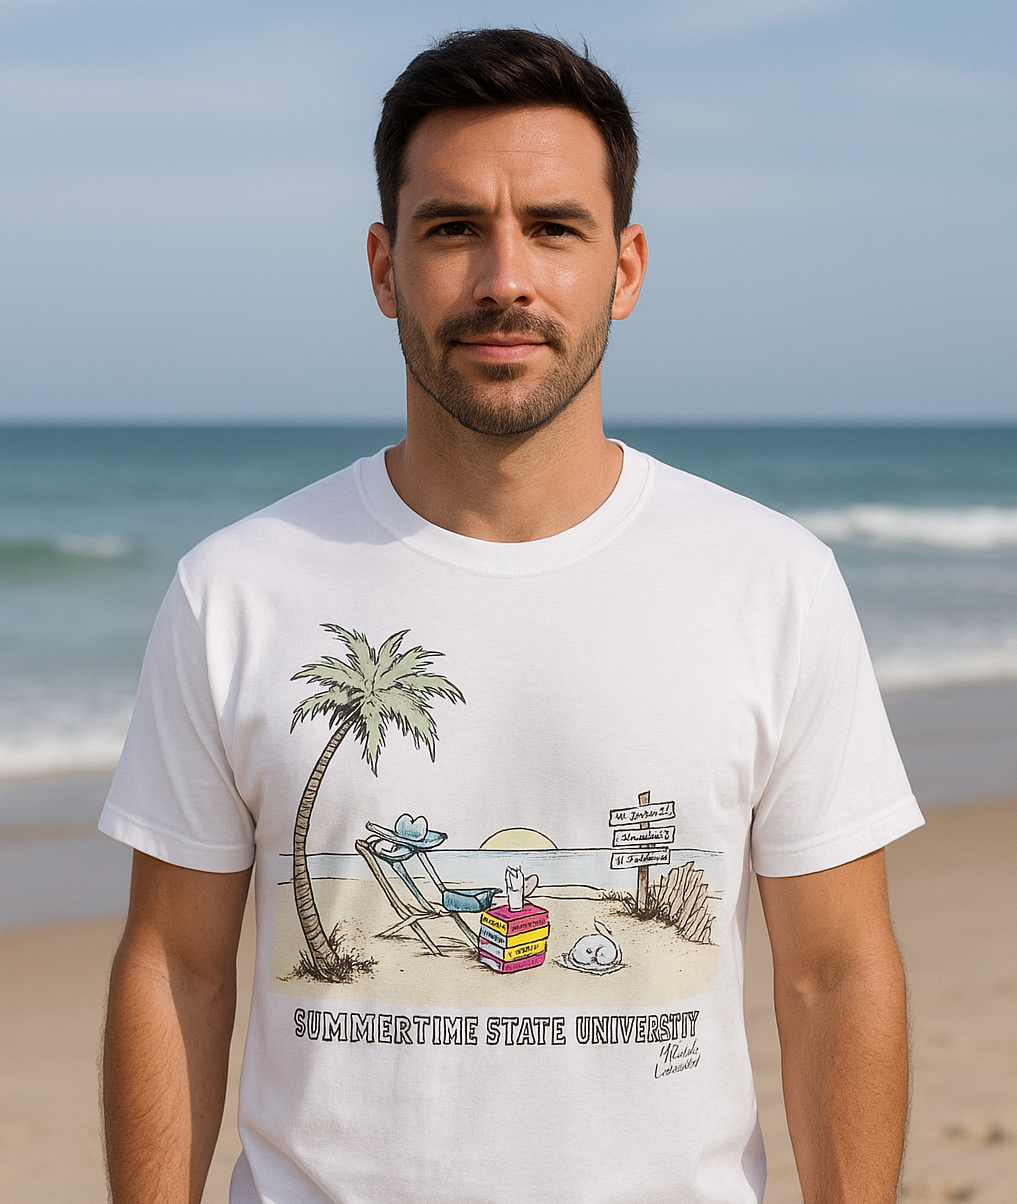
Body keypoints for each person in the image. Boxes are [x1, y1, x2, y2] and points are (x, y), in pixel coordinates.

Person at [100, 28, 924, 1204]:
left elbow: (836, 974)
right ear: (385, 266)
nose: (504, 279)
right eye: (452, 229)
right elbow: (175, 969)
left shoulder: (769, 579)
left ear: (625, 268)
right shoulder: (237, 590)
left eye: (552, 226)